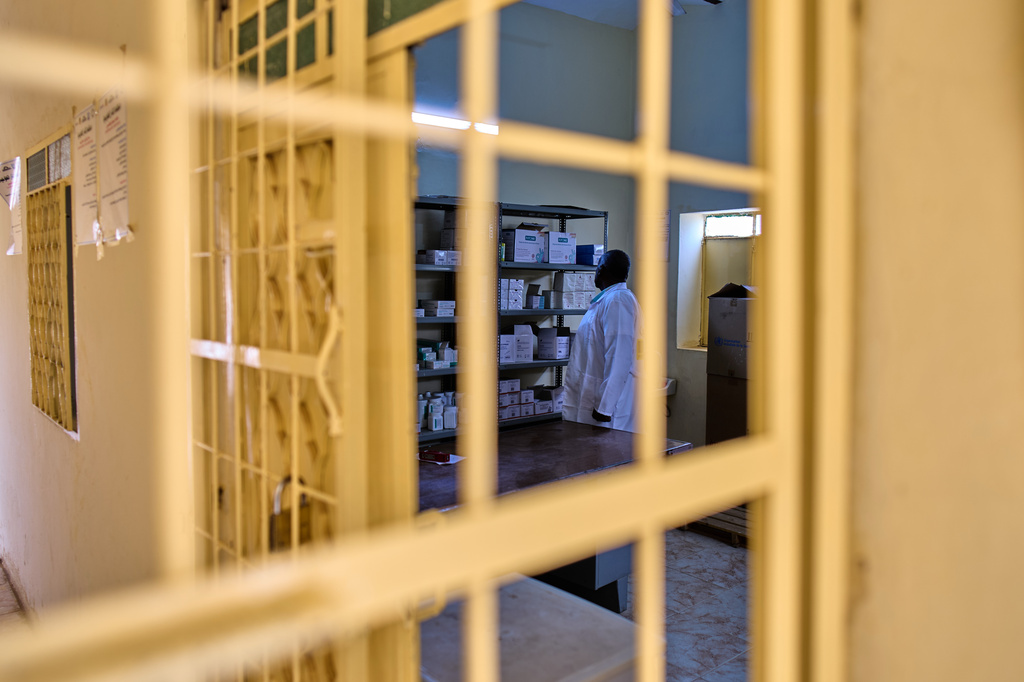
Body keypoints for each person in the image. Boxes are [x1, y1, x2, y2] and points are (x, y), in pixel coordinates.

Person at [562, 249, 641, 432]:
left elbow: (619, 356)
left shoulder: (618, 301)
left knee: (609, 455)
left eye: (597, 267)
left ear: (601, 269)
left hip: (609, 412)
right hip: (595, 400)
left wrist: (604, 409)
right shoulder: (607, 300)